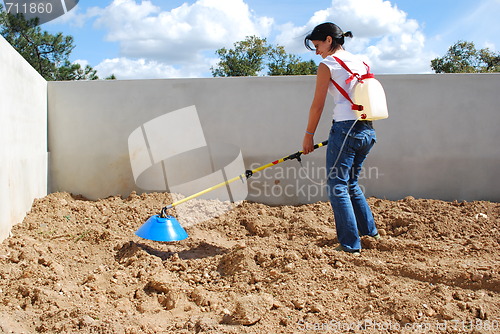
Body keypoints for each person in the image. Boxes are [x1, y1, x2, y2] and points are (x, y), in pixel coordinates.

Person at [302, 22, 380, 255]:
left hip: (345, 129)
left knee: (337, 186)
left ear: (328, 40)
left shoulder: (327, 65)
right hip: (367, 130)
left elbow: (317, 105)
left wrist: (308, 136)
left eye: (317, 46)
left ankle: (349, 245)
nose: (317, 52)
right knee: (351, 183)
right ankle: (370, 233)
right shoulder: (363, 61)